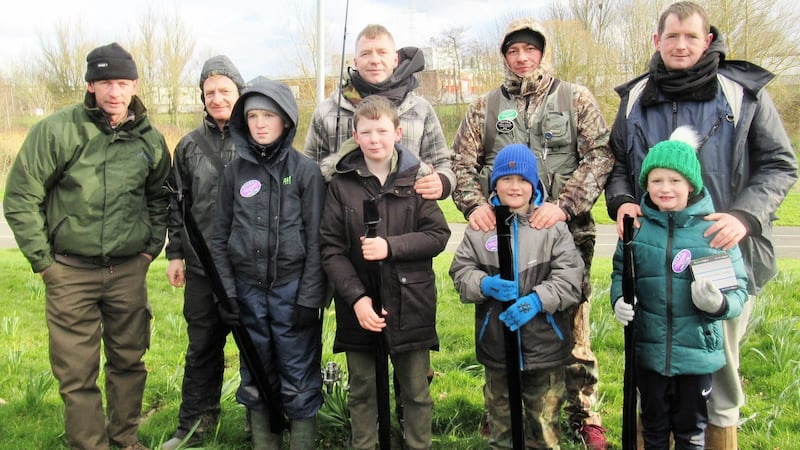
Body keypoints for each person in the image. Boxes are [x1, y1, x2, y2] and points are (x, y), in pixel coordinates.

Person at [604, 2, 798, 447]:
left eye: (691, 36)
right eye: (672, 36)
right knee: (650, 377)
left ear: (708, 40)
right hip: (652, 259)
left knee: (718, 380)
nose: (681, 45)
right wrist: (622, 201)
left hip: (719, 255)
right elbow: (615, 163)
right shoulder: (635, 97)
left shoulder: (742, 92)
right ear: (657, 41)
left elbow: (779, 165)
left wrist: (744, 216)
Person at [450, 17, 613, 448]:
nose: (522, 58)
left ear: (543, 52)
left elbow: (600, 155)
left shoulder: (574, 98)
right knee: (502, 316)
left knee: (570, 327)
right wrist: (476, 207)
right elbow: (460, 164)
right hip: (502, 234)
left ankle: (582, 412)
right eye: (513, 51)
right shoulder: (482, 107)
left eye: (530, 49)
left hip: (565, 234)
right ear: (505, 56)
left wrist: (562, 207)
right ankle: (500, 412)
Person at [3, 42, 170, 450]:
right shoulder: (58, 131)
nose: (114, 92)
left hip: (128, 270)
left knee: (128, 361)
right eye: (104, 83)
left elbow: (160, 197)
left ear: (134, 85)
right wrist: (45, 264)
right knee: (76, 373)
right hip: (69, 272)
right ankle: (88, 444)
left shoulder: (150, 139)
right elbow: (21, 197)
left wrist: (149, 249)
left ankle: (125, 437)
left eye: (122, 82)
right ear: (90, 86)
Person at [319, 95, 450, 450]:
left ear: (398, 132)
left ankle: (417, 445)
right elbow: (330, 249)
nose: (374, 138)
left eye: (382, 130)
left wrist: (391, 247)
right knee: (362, 391)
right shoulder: (340, 184)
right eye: (366, 131)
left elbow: (438, 235)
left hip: (411, 304)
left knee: (416, 391)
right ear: (354, 134)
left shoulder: (416, 181)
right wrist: (357, 300)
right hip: (358, 307)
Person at [610, 127, 749, 449]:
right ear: (646, 184)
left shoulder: (712, 231)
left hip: (697, 357)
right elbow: (620, 273)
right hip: (649, 352)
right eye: (656, 181)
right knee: (654, 428)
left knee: (691, 431)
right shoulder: (636, 230)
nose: (665, 188)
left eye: (675, 181)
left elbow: (738, 291)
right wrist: (619, 298)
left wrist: (718, 305)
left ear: (691, 184)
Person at [209, 78, 326, 449]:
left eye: (269, 116)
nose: (260, 124)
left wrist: (311, 297)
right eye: (253, 116)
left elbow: (319, 239)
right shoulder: (234, 173)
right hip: (247, 293)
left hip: (293, 292)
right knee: (255, 372)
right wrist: (227, 295)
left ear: (286, 121)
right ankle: (265, 441)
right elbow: (218, 237)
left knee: (298, 374)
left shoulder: (305, 171)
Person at [449, 143, 584, 449]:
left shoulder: (551, 228)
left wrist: (537, 300)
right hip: (497, 346)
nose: (514, 186)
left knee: (544, 428)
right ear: (494, 183)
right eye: (506, 179)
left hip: (545, 348)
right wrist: (484, 284)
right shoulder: (481, 227)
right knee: (501, 427)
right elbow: (460, 272)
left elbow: (571, 278)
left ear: (534, 184)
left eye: (523, 180)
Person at [161, 55, 245, 450]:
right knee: (202, 350)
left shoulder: (259, 137)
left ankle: (258, 425)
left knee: (254, 345)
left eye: (224, 90)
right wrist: (174, 254)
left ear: (239, 92)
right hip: (200, 269)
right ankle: (195, 426)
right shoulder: (189, 146)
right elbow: (177, 206)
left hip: (248, 268)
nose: (217, 98)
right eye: (210, 92)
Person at [304, 23, 454, 202]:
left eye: (382, 52)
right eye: (366, 53)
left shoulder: (421, 109)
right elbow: (308, 169)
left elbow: (443, 163)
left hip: (407, 220)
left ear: (395, 59)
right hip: (342, 221)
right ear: (356, 62)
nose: (375, 60)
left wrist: (442, 182)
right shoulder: (326, 111)